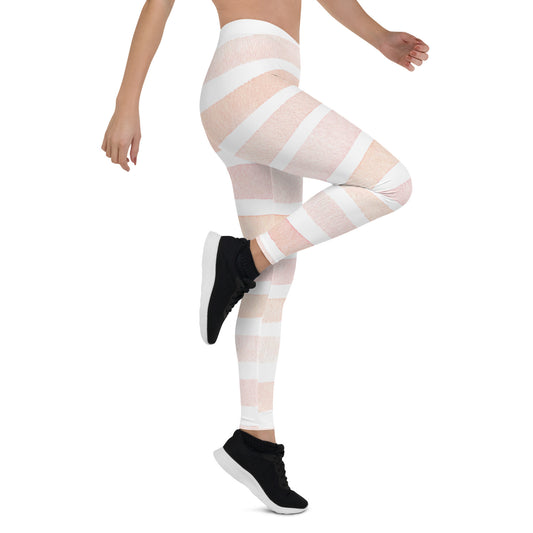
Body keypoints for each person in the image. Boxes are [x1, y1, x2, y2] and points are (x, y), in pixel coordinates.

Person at [101, 0, 429, 515]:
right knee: (391, 182)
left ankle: (255, 440)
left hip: (256, 93)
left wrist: (380, 37)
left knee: (272, 280)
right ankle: (240, 260)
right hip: (251, 87)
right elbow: (156, 7)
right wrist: (126, 104)